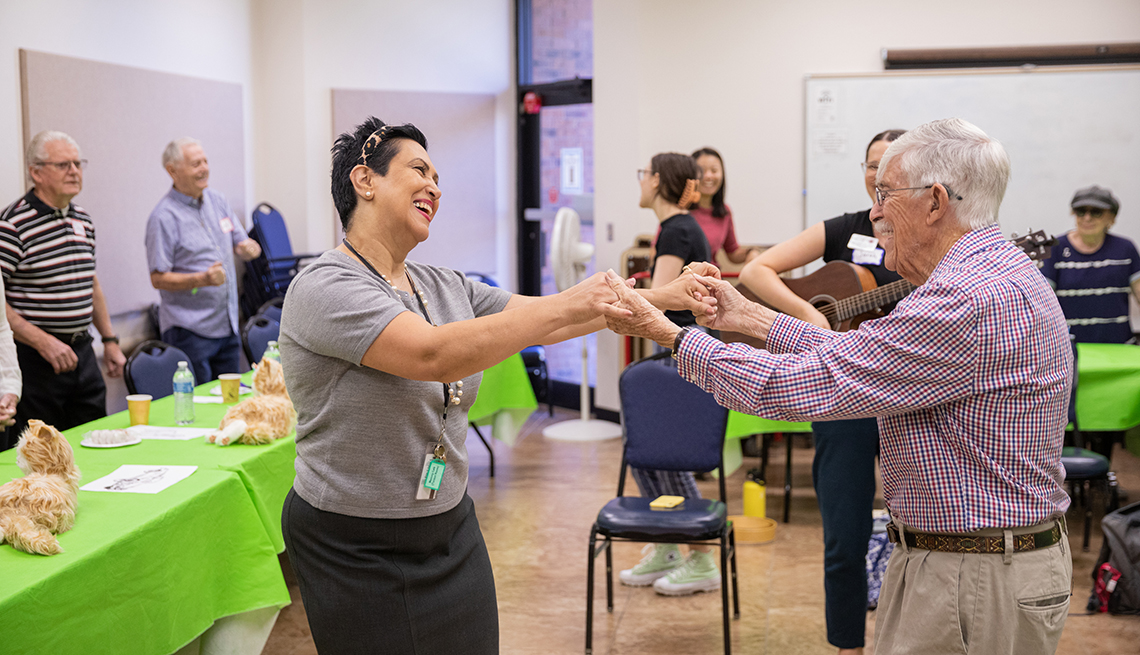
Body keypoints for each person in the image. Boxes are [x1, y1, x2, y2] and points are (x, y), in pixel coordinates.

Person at [604, 118, 1074, 655]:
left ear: (936, 202)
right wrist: (749, 315)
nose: (873, 211)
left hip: (972, 574)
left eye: (885, 194)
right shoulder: (986, 275)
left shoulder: (964, 300)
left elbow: (810, 383)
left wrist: (669, 333)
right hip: (965, 564)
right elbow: (855, 353)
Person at [277, 118, 712, 654]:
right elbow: (430, 353)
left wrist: (665, 297)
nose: (435, 187)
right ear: (364, 181)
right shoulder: (324, 286)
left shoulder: (441, 283)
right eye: (419, 170)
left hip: (448, 524)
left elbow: (551, 320)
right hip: (355, 540)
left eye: (438, 177)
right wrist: (582, 298)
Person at [736, 129, 905, 655]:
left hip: (908, 396)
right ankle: (847, 646)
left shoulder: (933, 237)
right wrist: (810, 315)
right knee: (843, 538)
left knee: (925, 536)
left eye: (891, 167)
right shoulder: (842, 228)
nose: (878, 176)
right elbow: (755, 270)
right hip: (845, 395)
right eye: (871, 165)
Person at [619, 152, 723, 596]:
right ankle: (665, 544)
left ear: (658, 181)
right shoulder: (677, 227)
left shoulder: (679, 229)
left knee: (670, 454)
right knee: (645, 448)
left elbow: (657, 299)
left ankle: (700, 556)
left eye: (644, 174)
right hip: (677, 359)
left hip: (684, 359)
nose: (640, 181)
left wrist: (624, 296)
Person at [0, 131, 125, 449]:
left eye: (78, 163)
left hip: (82, 354)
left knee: (94, 443)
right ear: (36, 172)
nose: (74, 171)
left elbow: (91, 283)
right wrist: (43, 342)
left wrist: (109, 340)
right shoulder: (13, 225)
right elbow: (0, 303)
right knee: (43, 455)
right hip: (37, 360)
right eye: (63, 164)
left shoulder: (82, 219)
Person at [145, 138, 262, 384]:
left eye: (205, 161)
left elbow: (240, 242)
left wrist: (248, 248)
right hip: (189, 331)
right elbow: (157, 278)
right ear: (172, 171)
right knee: (199, 410)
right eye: (196, 163)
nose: (204, 168)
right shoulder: (163, 218)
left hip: (226, 323)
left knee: (229, 400)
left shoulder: (217, 200)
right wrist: (203, 279)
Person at [1039, 185, 1138, 460]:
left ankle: (1102, 482)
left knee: (1108, 426)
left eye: (1096, 211)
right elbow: (1043, 303)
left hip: (1116, 357)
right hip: (1070, 355)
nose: (1087, 217)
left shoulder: (1126, 249)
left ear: (1112, 217)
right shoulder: (1056, 250)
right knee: (1067, 425)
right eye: (1081, 210)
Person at [690, 147, 759, 266]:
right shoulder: (679, 210)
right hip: (683, 280)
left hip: (712, 279)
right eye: (701, 170)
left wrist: (750, 252)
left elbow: (732, 252)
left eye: (714, 170)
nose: (708, 176)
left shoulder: (724, 212)